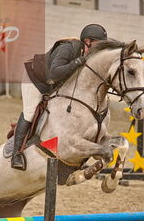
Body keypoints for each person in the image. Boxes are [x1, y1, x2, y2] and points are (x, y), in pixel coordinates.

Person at [11, 24, 108, 170]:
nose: (100, 48)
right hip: (35, 79)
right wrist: (76, 62)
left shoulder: (88, 55)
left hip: (53, 84)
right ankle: (16, 154)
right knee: (30, 112)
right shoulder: (68, 47)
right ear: (87, 41)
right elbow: (54, 73)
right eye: (98, 44)